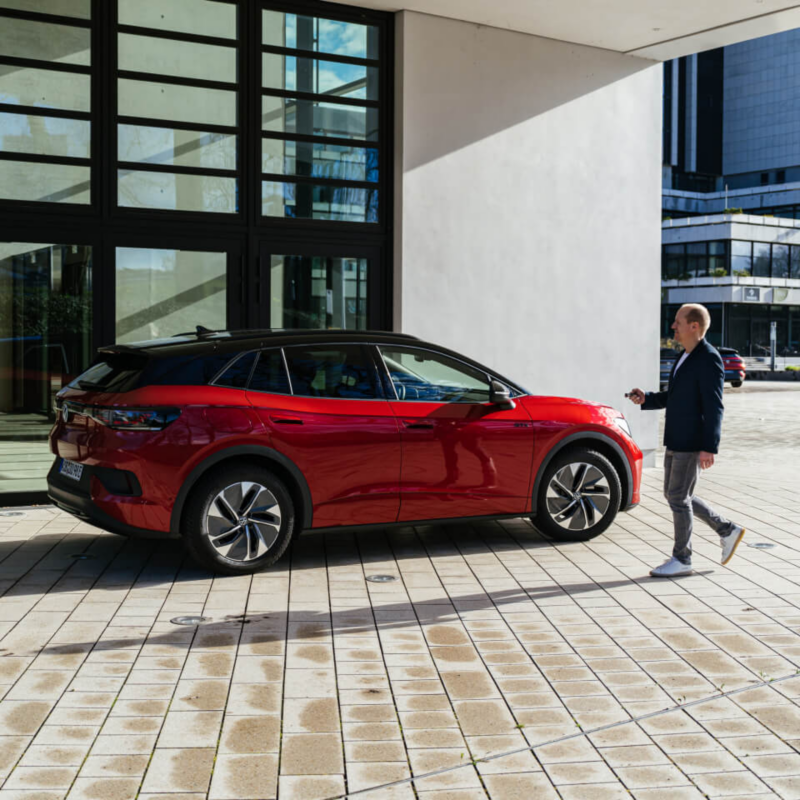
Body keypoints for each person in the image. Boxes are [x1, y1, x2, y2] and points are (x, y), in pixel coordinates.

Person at [628, 303, 745, 577]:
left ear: (694, 326)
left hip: (692, 441)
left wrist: (708, 447)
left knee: (679, 498)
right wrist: (648, 398)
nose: (673, 327)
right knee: (676, 495)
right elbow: (676, 396)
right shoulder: (686, 355)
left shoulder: (708, 358)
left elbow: (714, 406)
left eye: (677, 322)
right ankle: (726, 529)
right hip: (676, 438)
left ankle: (683, 559)